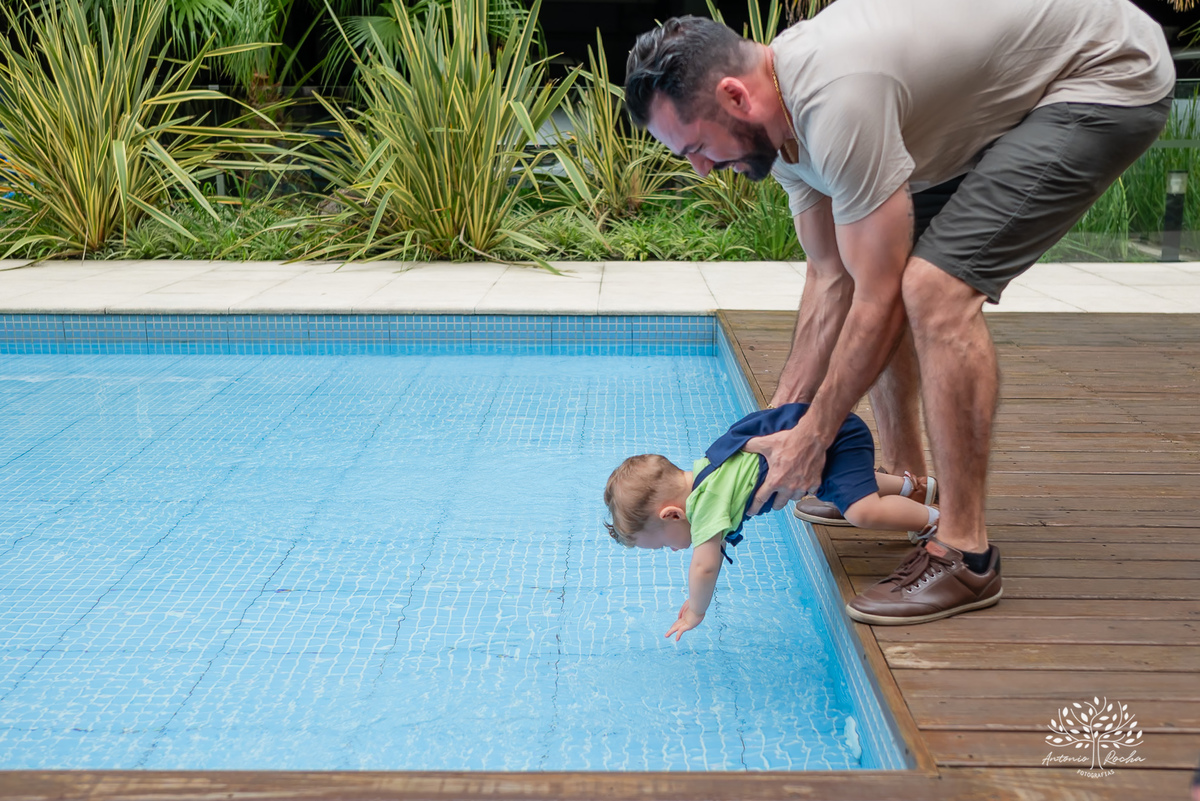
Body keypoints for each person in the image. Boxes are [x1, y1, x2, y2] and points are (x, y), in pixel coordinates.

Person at [624, 0, 1174, 624]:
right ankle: (904, 473)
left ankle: (965, 553)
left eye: (696, 146)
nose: (699, 167)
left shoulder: (837, 102)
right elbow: (831, 278)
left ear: (734, 96)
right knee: (878, 277)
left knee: (931, 290)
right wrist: (782, 433)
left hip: (1104, 75)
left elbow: (880, 300)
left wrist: (815, 437)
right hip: (1000, 103)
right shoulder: (777, 125)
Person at [603, 404, 944, 640]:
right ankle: (913, 487)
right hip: (825, 442)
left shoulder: (706, 504)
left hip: (832, 438)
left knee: (861, 512)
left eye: (664, 543)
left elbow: (704, 568)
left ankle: (937, 522)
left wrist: (695, 611)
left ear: (672, 514)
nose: (674, 548)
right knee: (839, 487)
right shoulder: (709, 468)